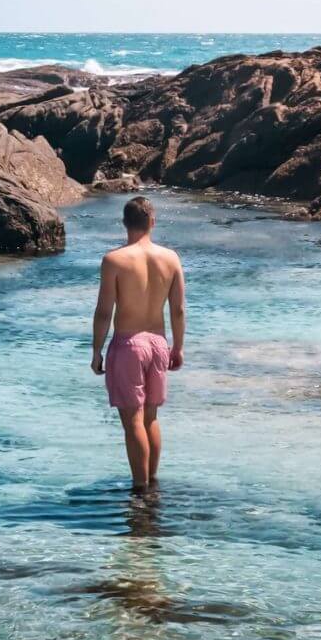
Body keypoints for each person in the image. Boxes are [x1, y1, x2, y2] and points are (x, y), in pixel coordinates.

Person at [91, 197, 185, 491]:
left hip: (129, 344)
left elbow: (104, 311)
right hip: (158, 343)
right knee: (151, 418)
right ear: (152, 223)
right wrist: (177, 347)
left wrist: (96, 350)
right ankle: (152, 484)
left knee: (133, 421)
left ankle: (140, 489)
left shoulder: (114, 260)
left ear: (125, 224)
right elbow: (178, 310)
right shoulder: (171, 259)